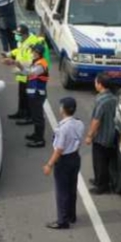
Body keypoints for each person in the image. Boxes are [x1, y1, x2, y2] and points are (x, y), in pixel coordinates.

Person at [42, 97, 85, 229]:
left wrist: (49, 164)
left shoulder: (63, 128)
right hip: (75, 158)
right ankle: (71, 215)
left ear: (63, 109)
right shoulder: (79, 123)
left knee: (62, 192)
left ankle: (62, 221)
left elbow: (59, 149)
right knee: (72, 188)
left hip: (64, 161)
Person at [86, 72, 119, 194]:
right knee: (106, 161)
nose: (95, 84)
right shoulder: (113, 98)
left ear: (100, 84)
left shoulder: (101, 100)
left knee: (99, 162)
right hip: (111, 135)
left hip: (101, 136)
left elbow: (96, 120)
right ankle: (101, 181)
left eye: (96, 82)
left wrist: (90, 135)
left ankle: (101, 186)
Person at [4, 25, 43, 124]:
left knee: (29, 96)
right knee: (22, 94)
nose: (17, 36)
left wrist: (14, 63)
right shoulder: (24, 41)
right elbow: (20, 50)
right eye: (16, 34)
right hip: (22, 72)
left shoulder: (32, 43)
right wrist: (9, 54)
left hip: (29, 73)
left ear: (25, 35)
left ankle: (30, 117)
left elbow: (31, 61)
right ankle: (21, 112)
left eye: (18, 35)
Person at [15, 43, 48, 147]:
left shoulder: (41, 65)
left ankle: (40, 140)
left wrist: (20, 67)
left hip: (37, 94)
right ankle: (36, 134)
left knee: (38, 117)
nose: (32, 53)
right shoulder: (36, 62)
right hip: (34, 94)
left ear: (39, 53)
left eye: (34, 51)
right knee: (35, 115)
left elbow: (30, 73)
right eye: (32, 51)